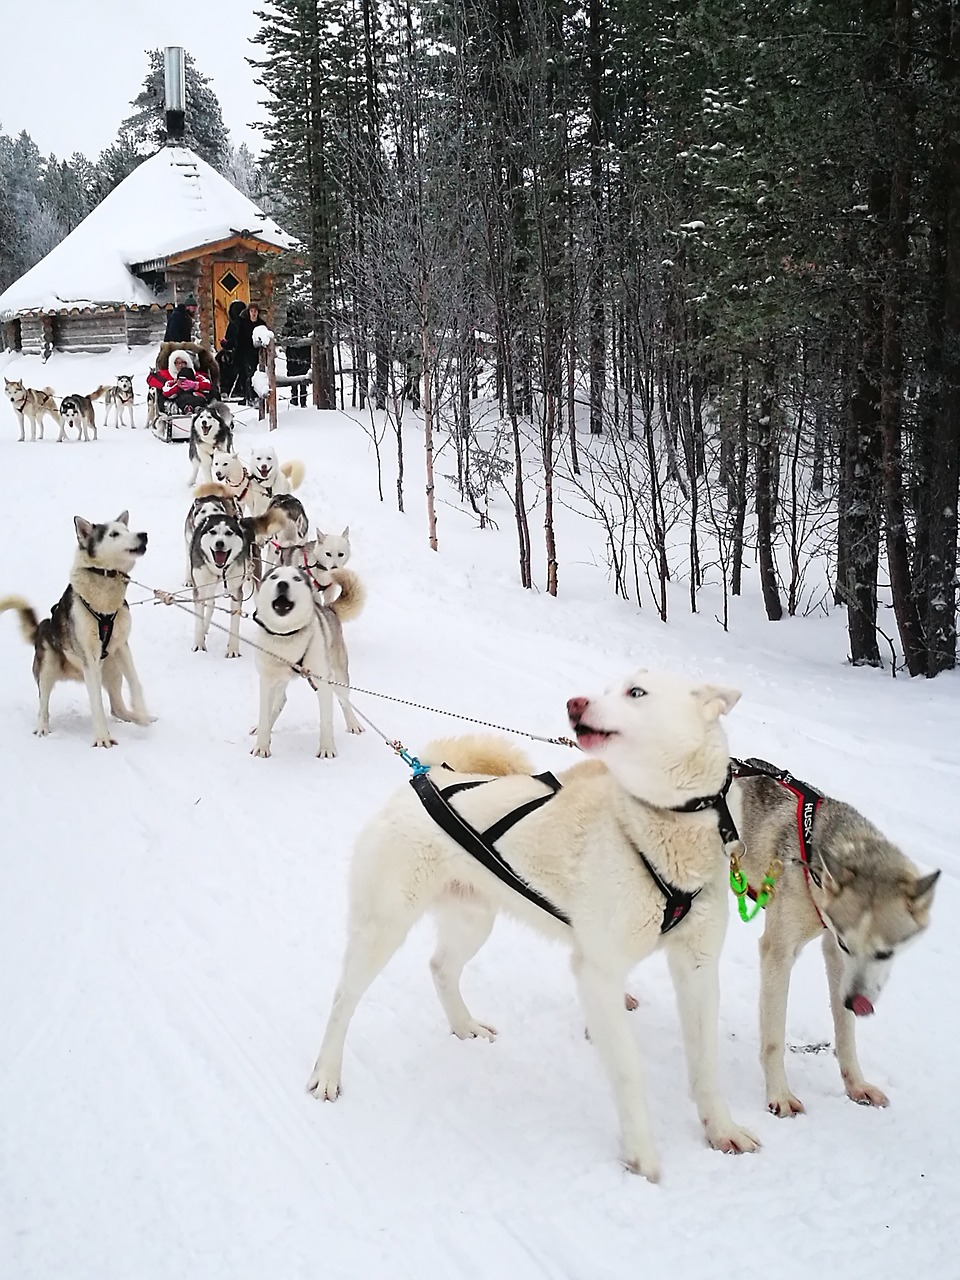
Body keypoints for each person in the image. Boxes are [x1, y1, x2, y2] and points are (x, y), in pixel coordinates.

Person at [146, 349, 211, 415]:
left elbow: (207, 384)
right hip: (175, 398)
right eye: (177, 363)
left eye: (183, 362)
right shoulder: (166, 373)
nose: (180, 365)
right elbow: (151, 379)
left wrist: (194, 385)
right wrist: (172, 385)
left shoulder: (195, 374)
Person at [237, 303, 271, 405]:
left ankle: (258, 396)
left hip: (259, 353)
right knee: (249, 375)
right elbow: (239, 339)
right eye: (251, 311)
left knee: (260, 374)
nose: (253, 313)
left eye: (255, 311)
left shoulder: (262, 324)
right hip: (246, 353)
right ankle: (250, 397)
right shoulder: (243, 324)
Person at [282, 301, 311, 407]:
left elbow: (283, 335)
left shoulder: (296, 324)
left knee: (298, 375)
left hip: (297, 355)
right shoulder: (305, 324)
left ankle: (298, 399)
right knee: (300, 375)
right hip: (298, 355)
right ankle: (299, 400)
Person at [216, 299, 246, 398]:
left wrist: (226, 344)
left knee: (226, 365)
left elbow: (236, 340)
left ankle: (227, 388)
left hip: (238, 354)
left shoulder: (237, 324)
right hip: (234, 353)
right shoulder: (235, 324)